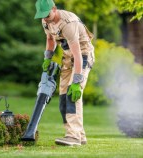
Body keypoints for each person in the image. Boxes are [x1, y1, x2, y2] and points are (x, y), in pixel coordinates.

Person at [34, 0, 95, 146]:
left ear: (54, 9)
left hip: (82, 55)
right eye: (41, 16)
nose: (44, 18)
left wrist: (76, 81)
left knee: (72, 94)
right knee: (63, 98)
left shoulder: (68, 23)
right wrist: (47, 58)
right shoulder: (46, 21)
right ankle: (80, 136)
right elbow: (50, 39)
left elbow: (78, 55)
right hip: (67, 57)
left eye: (46, 14)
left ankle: (73, 136)